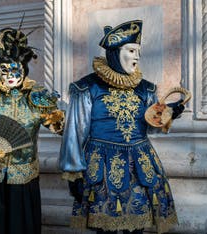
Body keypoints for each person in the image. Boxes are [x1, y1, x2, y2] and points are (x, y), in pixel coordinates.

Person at [59, 20, 183, 234]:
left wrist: (167, 114)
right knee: (105, 228)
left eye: (139, 52)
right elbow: (74, 132)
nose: (137, 57)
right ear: (115, 52)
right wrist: (74, 172)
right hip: (102, 166)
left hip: (140, 165)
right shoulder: (87, 87)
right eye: (132, 50)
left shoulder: (146, 88)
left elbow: (149, 127)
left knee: (137, 227)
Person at [0, 27, 64, 234]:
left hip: (23, 179)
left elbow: (60, 130)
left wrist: (57, 120)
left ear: (24, 68)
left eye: (15, 69)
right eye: (4, 70)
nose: (10, 75)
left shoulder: (36, 96)